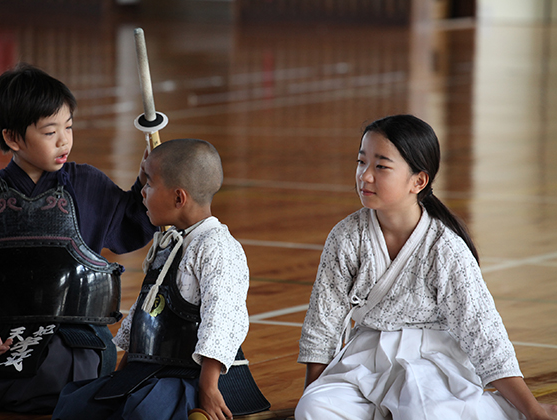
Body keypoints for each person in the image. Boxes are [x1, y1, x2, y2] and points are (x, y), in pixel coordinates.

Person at [0, 63, 157, 414]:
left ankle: (5, 394)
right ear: (13, 138)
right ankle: (25, 394)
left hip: (73, 336)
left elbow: (133, 221)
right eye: (50, 132)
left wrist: (149, 181)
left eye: (68, 126)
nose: (64, 140)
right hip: (2, 333)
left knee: (66, 367)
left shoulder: (87, 183)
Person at [295, 114, 557, 420]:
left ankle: (497, 409)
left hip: (431, 361)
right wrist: (311, 393)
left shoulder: (446, 247)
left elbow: (484, 334)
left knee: (425, 412)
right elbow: (323, 324)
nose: (365, 176)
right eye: (361, 162)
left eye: (381, 166)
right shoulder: (346, 236)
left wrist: (533, 411)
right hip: (365, 358)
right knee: (315, 409)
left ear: (418, 181)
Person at [52, 138, 269, 420]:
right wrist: (124, 373)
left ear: (179, 198)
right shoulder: (168, 243)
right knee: (74, 406)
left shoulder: (218, 248)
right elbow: (149, 308)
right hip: (151, 372)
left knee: (142, 413)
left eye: (150, 184)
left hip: (192, 376)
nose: (142, 192)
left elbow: (224, 319)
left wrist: (208, 386)